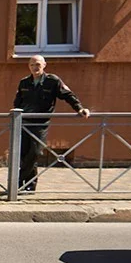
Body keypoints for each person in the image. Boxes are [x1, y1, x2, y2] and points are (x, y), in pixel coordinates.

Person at [13, 55, 90, 192]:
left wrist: (79, 108)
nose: (35, 67)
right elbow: (18, 102)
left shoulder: (52, 81)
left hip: (40, 123)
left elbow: (68, 95)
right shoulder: (24, 82)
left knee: (35, 152)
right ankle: (30, 185)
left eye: (37, 64)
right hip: (23, 122)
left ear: (44, 65)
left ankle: (18, 182)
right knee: (24, 154)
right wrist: (14, 116)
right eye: (32, 65)